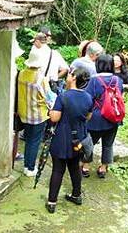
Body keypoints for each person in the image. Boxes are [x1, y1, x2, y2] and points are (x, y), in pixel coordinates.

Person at [46, 66, 93, 213]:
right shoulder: (88, 97)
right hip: (79, 139)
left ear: (73, 78)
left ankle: (52, 202)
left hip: (62, 138)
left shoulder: (63, 96)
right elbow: (88, 117)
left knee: (58, 170)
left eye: (69, 74)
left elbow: (54, 117)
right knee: (74, 167)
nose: (67, 76)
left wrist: (50, 110)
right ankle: (76, 195)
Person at [82, 53, 124, 179]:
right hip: (113, 117)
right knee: (108, 144)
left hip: (96, 118)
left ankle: (85, 166)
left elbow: (88, 99)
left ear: (98, 65)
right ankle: (103, 168)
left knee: (90, 142)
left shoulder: (94, 80)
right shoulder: (118, 80)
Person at [17, 47, 51, 177]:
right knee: (34, 141)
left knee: (28, 138)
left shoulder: (21, 74)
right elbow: (48, 97)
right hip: (38, 115)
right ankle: (29, 168)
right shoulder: (41, 79)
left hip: (24, 113)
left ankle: (27, 164)